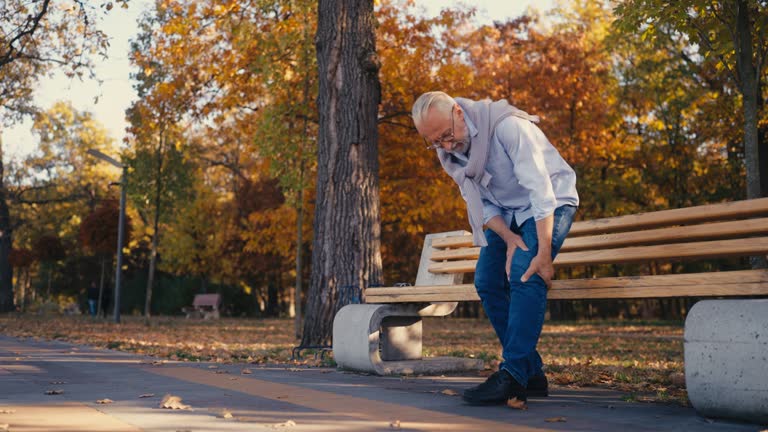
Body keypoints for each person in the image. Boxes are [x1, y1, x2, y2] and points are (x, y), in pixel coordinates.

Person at [411, 92, 579, 405]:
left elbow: (541, 189)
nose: (445, 147)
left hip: (550, 203)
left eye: (447, 136)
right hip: (509, 214)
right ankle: (531, 373)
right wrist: (509, 237)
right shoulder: (449, 152)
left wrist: (542, 253)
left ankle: (513, 374)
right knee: (486, 281)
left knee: (525, 273)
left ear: (459, 113)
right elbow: (480, 202)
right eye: (434, 142)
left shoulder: (507, 126)